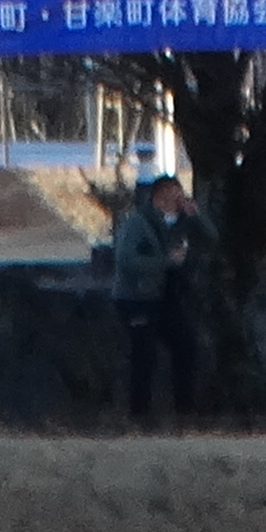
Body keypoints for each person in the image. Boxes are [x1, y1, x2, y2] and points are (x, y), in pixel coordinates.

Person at [109, 173, 206, 425]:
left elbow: (211, 239)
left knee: (186, 345)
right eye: (173, 196)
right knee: (144, 353)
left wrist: (197, 216)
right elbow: (124, 260)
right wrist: (165, 261)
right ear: (159, 197)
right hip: (137, 299)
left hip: (165, 298)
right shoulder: (137, 224)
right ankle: (138, 414)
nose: (178, 201)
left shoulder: (180, 222)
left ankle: (185, 410)